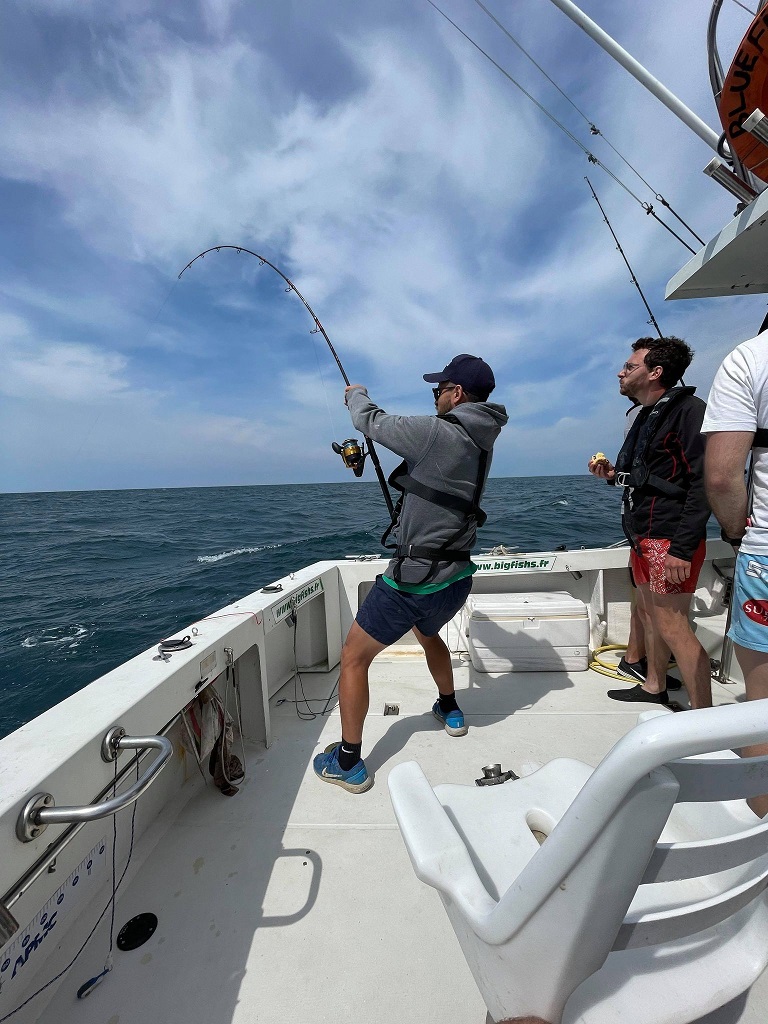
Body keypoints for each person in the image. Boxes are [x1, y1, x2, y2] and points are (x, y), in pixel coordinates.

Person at [314, 354, 508, 793]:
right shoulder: (483, 440)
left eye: (439, 389)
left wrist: (356, 394)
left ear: (457, 393)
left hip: (414, 581)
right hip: (456, 577)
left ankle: (348, 762)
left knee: (353, 657)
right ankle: (450, 708)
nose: (435, 396)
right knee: (428, 633)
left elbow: (370, 421)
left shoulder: (437, 432)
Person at [588, 336, 712, 709]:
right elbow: (649, 476)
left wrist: (682, 548)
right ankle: (654, 685)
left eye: (630, 366)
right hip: (641, 536)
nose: (620, 372)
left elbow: (704, 482)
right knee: (648, 615)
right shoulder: (646, 414)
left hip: (669, 539)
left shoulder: (688, 411)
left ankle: (704, 719)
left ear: (655, 372)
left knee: (674, 626)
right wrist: (613, 475)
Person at [703, 329, 768, 816]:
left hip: (765, 554)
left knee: (762, 706)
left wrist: (734, 532)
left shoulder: (750, 357)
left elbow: (723, 476)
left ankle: (761, 828)